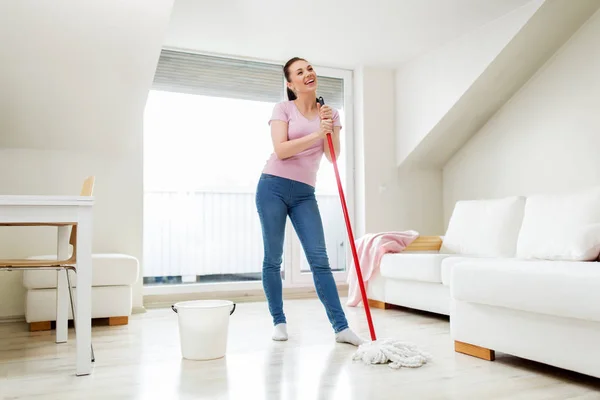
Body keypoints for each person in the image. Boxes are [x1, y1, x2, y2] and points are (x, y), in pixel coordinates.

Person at [255, 57, 364, 346]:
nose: (308, 74)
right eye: (300, 72)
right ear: (291, 84)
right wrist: (317, 132)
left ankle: (341, 328)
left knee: (320, 260)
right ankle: (278, 321)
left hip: (305, 192)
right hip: (272, 187)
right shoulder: (283, 109)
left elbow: (332, 156)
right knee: (272, 258)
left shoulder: (331, 113)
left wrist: (329, 127)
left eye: (310, 69)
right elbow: (281, 151)